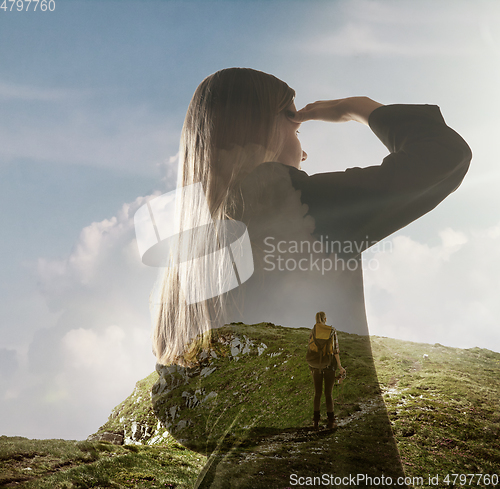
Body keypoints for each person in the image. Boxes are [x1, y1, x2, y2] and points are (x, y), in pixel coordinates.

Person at [150, 67, 472, 486]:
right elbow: (443, 156)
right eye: (294, 120)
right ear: (258, 127)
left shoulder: (193, 253)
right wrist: (358, 109)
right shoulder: (282, 198)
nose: (304, 153)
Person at [307, 311, 346, 430]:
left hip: (315, 366)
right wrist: (340, 366)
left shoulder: (313, 331)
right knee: (328, 394)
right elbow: (335, 350)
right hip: (329, 365)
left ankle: (316, 422)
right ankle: (331, 422)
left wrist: (311, 367)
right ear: (325, 319)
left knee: (317, 394)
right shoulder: (332, 330)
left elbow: (310, 349)